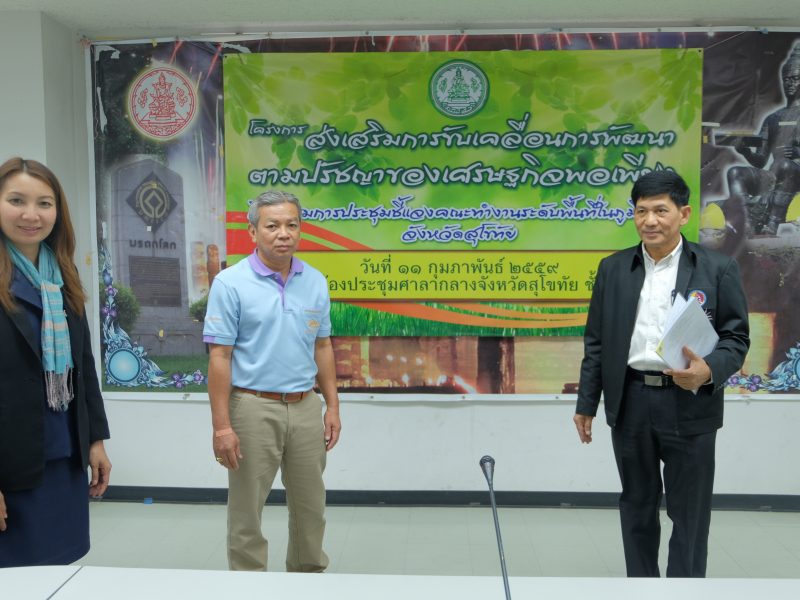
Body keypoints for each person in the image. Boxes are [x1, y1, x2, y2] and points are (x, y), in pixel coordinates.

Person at [573, 170, 750, 578]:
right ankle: (642, 588)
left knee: (689, 512)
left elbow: (736, 338)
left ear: (683, 214)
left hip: (690, 400)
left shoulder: (716, 268)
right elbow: (596, 341)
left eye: (660, 211)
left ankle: (684, 592)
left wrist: (708, 370)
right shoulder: (613, 269)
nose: (649, 220)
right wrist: (587, 403)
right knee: (636, 505)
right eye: (641, 211)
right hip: (631, 399)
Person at [204, 190, 341, 572]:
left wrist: (332, 406)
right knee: (247, 510)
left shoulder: (314, 281)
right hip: (252, 406)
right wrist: (222, 427)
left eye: (291, 225)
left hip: (305, 406)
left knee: (311, 507)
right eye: (273, 225)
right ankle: (250, 586)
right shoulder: (230, 283)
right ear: (253, 231)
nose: (284, 233)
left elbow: (323, 346)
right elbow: (219, 357)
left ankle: (307, 578)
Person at [0, 157, 112, 567]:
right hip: (10, 462)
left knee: (56, 571)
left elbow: (83, 366)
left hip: (63, 457)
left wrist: (95, 440)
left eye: (44, 203)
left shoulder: (61, 275)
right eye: (16, 200)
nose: (31, 215)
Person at [725, 43, 800, 235]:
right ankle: (746, 222)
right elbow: (760, 161)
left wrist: (798, 152)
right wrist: (745, 151)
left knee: (784, 164)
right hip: (774, 174)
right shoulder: (773, 118)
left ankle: (771, 224)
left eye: (795, 78)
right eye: (786, 79)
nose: (790, 84)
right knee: (736, 172)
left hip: (795, 173)